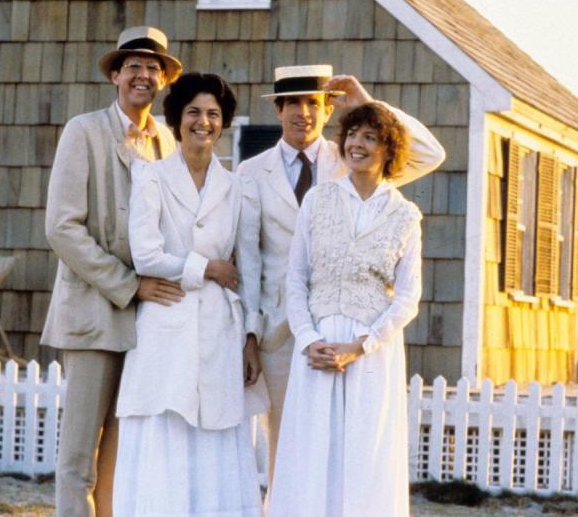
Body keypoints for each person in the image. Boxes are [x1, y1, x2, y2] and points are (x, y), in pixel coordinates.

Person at [235, 64, 445, 486]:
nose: (303, 113)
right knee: (287, 448)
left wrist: (365, 102)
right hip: (280, 332)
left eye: (312, 103)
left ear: (329, 109)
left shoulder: (352, 155)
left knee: (348, 448)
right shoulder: (251, 172)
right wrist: (250, 336)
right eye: (291, 103)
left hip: (348, 330)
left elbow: (429, 153)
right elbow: (248, 260)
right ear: (278, 110)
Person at [41, 26, 186, 517]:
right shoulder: (83, 131)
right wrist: (129, 284)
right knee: (78, 456)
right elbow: (62, 228)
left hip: (147, 322)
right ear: (116, 75)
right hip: (92, 314)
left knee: (122, 454)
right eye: (134, 66)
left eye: (153, 68)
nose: (143, 75)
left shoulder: (168, 140)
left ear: (163, 80)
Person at [113, 72, 268, 517]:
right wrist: (207, 268)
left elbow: (251, 269)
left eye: (214, 115)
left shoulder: (239, 187)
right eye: (194, 112)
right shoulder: (152, 176)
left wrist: (251, 337)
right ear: (177, 119)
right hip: (167, 321)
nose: (204, 122)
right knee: (167, 430)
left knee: (215, 434)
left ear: (224, 124)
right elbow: (145, 254)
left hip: (222, 329)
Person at [268, 102, 429, 516]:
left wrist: (362, 346)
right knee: (311, 457)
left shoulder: (405, 215)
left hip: (370, 352)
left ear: (388, 150)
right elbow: (296, 277)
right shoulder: (318, 200)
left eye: (370, 137)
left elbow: (409, 297)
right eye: (353, 135)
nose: (357, 144)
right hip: (318, 348)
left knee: (365, 458)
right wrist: (308, 340)